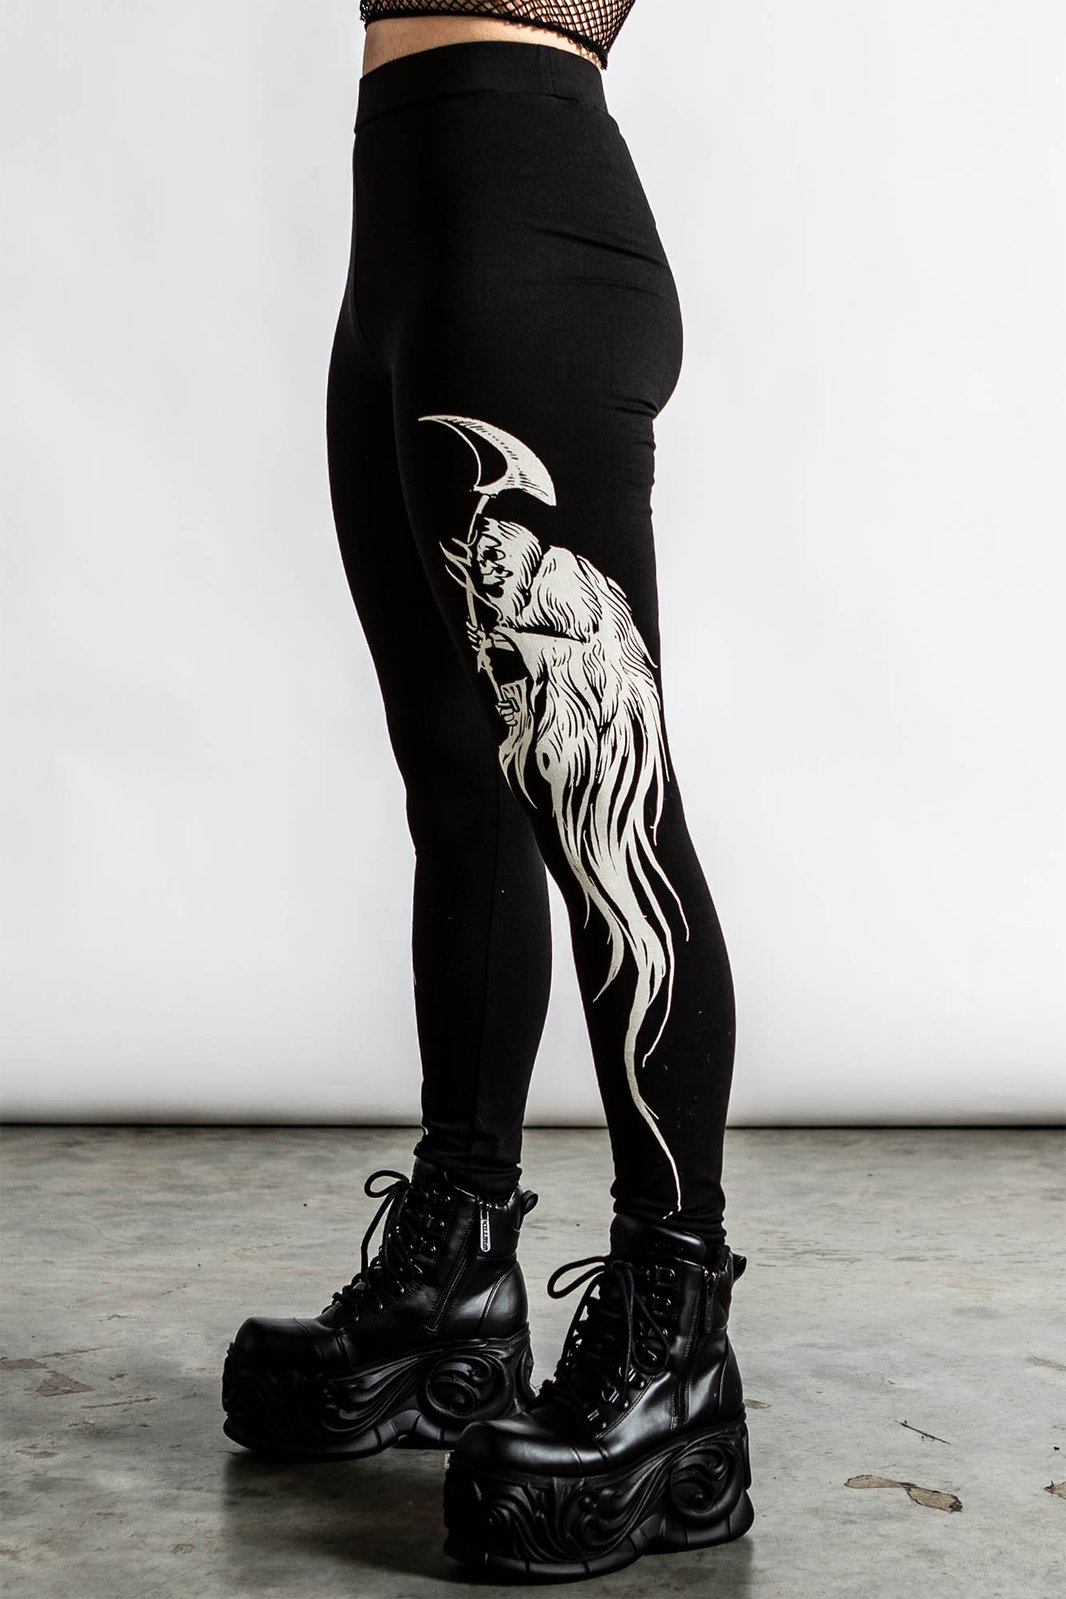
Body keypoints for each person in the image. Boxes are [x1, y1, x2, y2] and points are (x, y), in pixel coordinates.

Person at [221, 4, 754, 1580]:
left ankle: (673, 1342)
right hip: (404, 240)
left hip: (527, 240)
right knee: (456, 785)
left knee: (602, 810)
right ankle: (453, 1274)